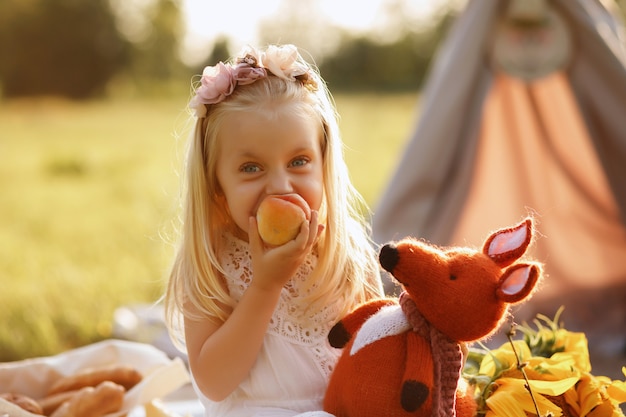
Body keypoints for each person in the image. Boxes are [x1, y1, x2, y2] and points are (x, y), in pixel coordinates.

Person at [163, 44, 384, 417]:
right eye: (251, 168)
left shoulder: (345, 253)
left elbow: (378, 353)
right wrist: (265, 285)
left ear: (323, 165)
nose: (281, 186)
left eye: (299, 162)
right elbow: (213, 382)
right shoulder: (214, 264)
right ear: (217, 187)